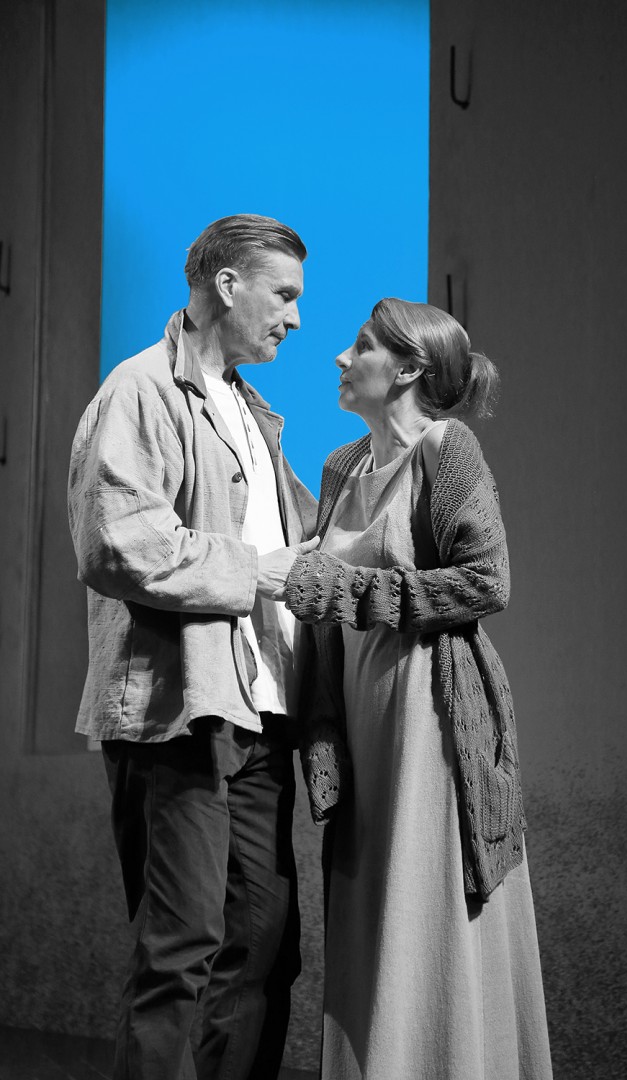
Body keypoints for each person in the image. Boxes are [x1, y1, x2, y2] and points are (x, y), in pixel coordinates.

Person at [67, 214, 319, 1080]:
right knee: (181, 953)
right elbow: (116, 545)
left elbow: (299, 552)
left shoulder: (250, 411)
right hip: (179, 712)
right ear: (227, 284)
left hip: (260, 716)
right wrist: (254, 569)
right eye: (283, 295)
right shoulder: (141, 390)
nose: (294, 318)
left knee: (263, 949)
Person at [282, 298, 554, 1080]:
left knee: (428, 909)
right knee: (370, 914)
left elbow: (486, 581)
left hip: (430, 717)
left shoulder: (446, 447)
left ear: (407, 369)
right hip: (362, 718)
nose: (342, 358)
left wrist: (348, 590)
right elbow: (317, 605)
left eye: (361, 346)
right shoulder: (342, 467)